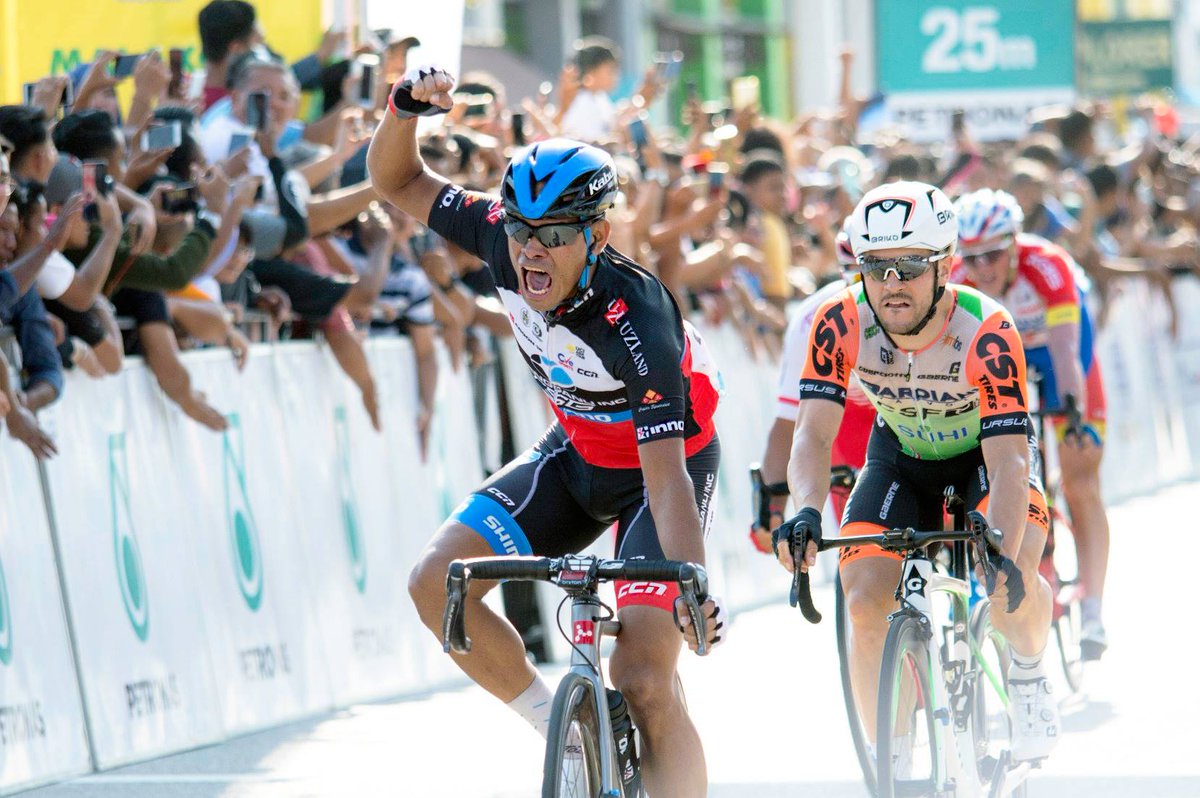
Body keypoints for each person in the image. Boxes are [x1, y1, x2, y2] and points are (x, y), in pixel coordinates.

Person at [370, 66, 726, 797]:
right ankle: (561, 732)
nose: (531, 252)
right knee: (435, 583)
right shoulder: (502, 236)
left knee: (645, 680)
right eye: (523, 231)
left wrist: (688, 582)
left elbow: (663, 480)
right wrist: (404, 109)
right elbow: (398, 180)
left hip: (660, 475)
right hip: (574, 455)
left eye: (554, 236)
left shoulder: (637, 319)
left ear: (596, 234)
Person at [774, 181, 1060, 763]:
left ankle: (1028, 673)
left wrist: (1000, 549)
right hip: (901, 458)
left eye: (909, 266)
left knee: (1011, 587)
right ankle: (895, 762)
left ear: (945, 266)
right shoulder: (839, 320)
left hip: (986, 459)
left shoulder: (987, 328)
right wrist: (802, 510)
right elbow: (813, 434)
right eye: (874, 267)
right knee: (862, 602)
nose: (891, 284)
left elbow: (1008, 459)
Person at [954, 188, 1110, 659]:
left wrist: (1072, 412)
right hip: (1006, 359)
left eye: (994, 255)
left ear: (1016, 243)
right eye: (972, 257)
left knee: (1080, 477)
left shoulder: (1048, 265)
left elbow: (1067, 353)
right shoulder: (961, 281)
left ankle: (1094, 610)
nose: (982, 268)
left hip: (1058, 351)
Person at [749, 223, 874, 553]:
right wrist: (772, 507)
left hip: (923, 419)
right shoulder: (814, 319)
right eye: (860, 278)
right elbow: (791, 420)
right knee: (858, 550)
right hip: (845, 426)